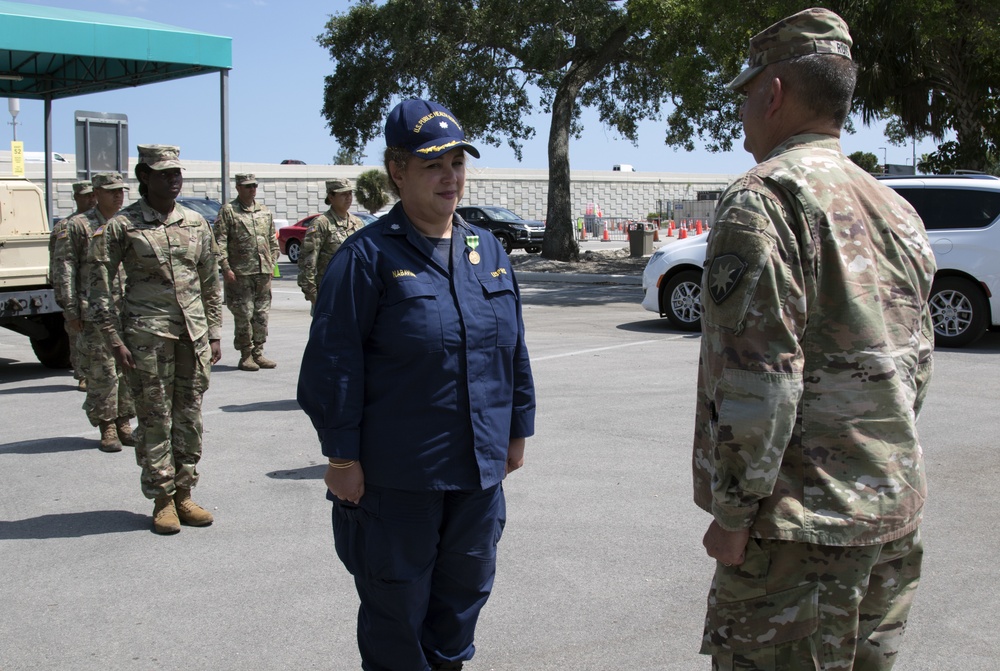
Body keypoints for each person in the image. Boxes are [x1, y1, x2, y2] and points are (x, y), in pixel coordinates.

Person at [691, 9, 936, 670]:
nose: (743, 110)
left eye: (746, 93)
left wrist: (734, 513)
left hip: (800, 535)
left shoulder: (763, 201)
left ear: (773, 93)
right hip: (891, 515)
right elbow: (917, 365)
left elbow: (760, 377)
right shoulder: (896, 209)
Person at [297, 98, 536, 671]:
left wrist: (517, 430)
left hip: (477, 471)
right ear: (397, 170)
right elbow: (333, 363)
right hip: (399, 478)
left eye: (457, 162)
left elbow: (513, 348)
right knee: (396, 609)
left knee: (463, 599)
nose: (450, 176)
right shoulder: (367, 256)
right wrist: (340, 456)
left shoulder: (489, 251)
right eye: (433, 164)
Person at [89, 145, 222, 535]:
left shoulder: (196, 222)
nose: (174, 178)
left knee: (189, 417)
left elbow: (211, 281)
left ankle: (184, 493)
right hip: (147, 336)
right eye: (164, 173)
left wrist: (213, 333)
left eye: (177, 171)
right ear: (144, 176)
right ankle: (162, 499)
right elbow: (98, 285)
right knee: (153, 418)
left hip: (192, 335)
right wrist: (113, 339)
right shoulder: (122, 226)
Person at [52, 172, 135, 452]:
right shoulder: (76, 226)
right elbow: (64, 268)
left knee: (128, 369)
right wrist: (71, 308)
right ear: (96, 193)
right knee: (102, 371)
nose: (118, 195)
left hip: (128, 309)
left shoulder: (127, 223)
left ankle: (124, 420)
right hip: (94, 310)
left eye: (121, 191)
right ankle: (107, 426)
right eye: (112, 191)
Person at [214, 173, 280, 371]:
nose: (252, 189)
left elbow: (272, 240)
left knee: (261, 315)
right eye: (247, 186)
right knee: (244, 315)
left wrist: (271, 264)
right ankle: (246, 355)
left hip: (263, 273)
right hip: (239, 273)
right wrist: (225, 267)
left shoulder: (264, 212)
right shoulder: (229, 211)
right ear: (238, 188)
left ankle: (258, 353)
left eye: (254, 186)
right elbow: (220, 241)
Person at [50, 180, 97, 391]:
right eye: (85, 195)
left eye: (93, 194)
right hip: (79, 289)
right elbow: (60, 262)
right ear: (76, 198)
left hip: (101, 290)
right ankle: (82, 374)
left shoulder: (103, 222)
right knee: (77, 333)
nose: (91, 199)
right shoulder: (66, 226)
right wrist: (62, 292)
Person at [296, 177, 365, 306]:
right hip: (330, 293)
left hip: (354, 291)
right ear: (331, 197)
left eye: (350, 193)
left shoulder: (357, 223)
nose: (348, 197)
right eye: (343, 194)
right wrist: (314, 297)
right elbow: (307, 263)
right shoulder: (321, 224)